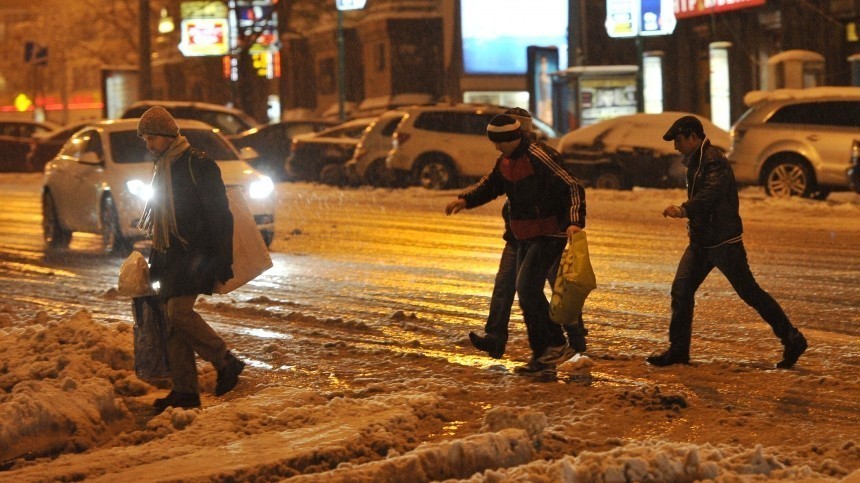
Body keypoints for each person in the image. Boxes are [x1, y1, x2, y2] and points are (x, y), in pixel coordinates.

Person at [647, 115, 807, 369]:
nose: (675, 146)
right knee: (681, 290)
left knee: (750, 292)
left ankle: (792, 339)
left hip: (724, 242)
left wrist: (684, 209)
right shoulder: (696, 161)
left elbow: (710, 194)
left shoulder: (714, 161)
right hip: (701, 242)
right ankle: (678, 351)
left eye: (678, 140)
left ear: (692, 137)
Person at [446, 113, 586, 378]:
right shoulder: (507, 160)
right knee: (527, 293)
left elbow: (572, 186)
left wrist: (574, 221)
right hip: (524, 234)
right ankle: (543, 359)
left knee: (527, 288)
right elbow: (491, 185)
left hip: (549, 232)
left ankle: (556, 344)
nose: (496, 147)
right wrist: (466, 200)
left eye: (498, 142)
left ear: (511, 138)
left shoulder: (540, 156)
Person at [136, 106, 246, 413]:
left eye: (151, 139)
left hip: (197, 255)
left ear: (167, 136)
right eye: (145, 139)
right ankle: (185, 391)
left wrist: (221, 260)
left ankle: (226, 361)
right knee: (172, 323)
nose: (148, 146)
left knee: (179, 314)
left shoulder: (198, 165)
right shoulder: (162, 170)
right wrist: (155, 258)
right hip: (171, 257)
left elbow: (220, 217)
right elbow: (160, 221)